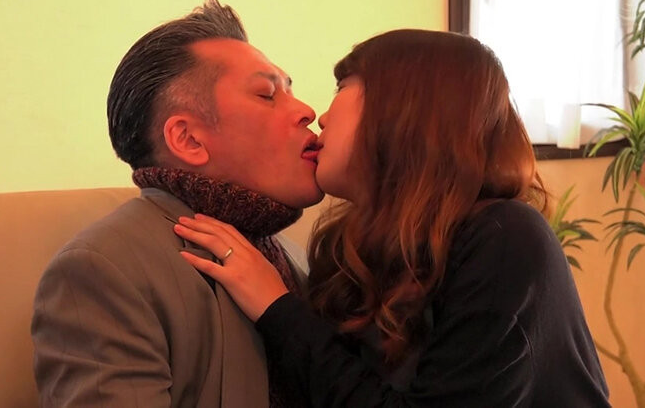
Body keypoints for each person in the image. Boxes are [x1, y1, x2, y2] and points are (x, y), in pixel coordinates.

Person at [176, 29, 611, 407]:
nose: (319, 115)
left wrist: (277, 307)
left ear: (404, 107)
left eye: (342, 87)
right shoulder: (346, 247)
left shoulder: (506, 237)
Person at [31, 0, 324, 407]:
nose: (307, 111)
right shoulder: (104, 269)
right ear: (188, 139)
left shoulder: (295, 259)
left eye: (292, 91)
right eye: (266, 94)